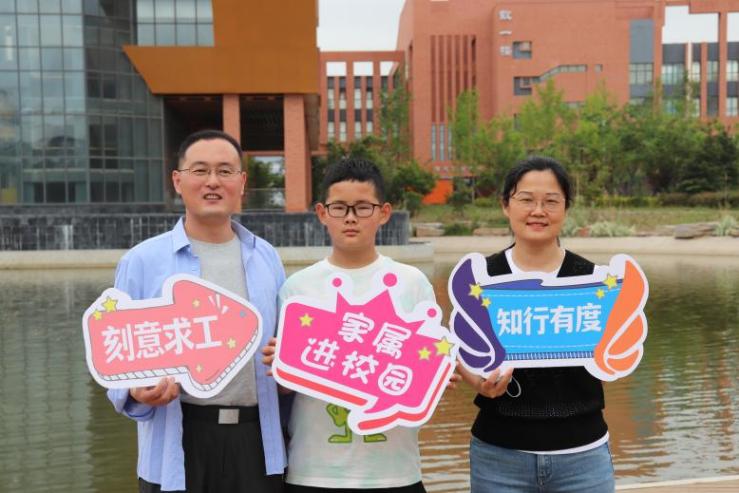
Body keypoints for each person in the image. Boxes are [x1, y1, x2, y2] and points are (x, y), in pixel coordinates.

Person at [107, 129, 286, 493]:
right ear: (178, 180)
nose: (213, 182)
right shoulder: (142, 261)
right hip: (177, 438)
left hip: (257, 440)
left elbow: (285, 344)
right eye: (200, 170)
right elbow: (114, 354)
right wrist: (136, 390)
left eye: (225, 171)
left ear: (242, 181)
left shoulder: (266, 257)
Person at [263, 158, 434, 493]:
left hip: (395, 472)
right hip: (314, 472)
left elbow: (427, 374)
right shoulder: (297, 288)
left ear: (384, 213)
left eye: (363, 207)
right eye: (339, 207)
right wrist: (280, 366)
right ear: (322, 213)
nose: (351, 217)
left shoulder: (412, 283)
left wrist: (437, 376)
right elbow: (284, 390)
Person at [458, 156, 615, 493]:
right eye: (526, 199)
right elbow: (458, 347)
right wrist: (478, 382)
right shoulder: (480, 278)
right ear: (506, 205)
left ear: (566, 208)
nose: (538, 211)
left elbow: (615, 351)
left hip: (583, 458)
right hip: (499, 456)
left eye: (551, 201)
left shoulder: (594, 281)